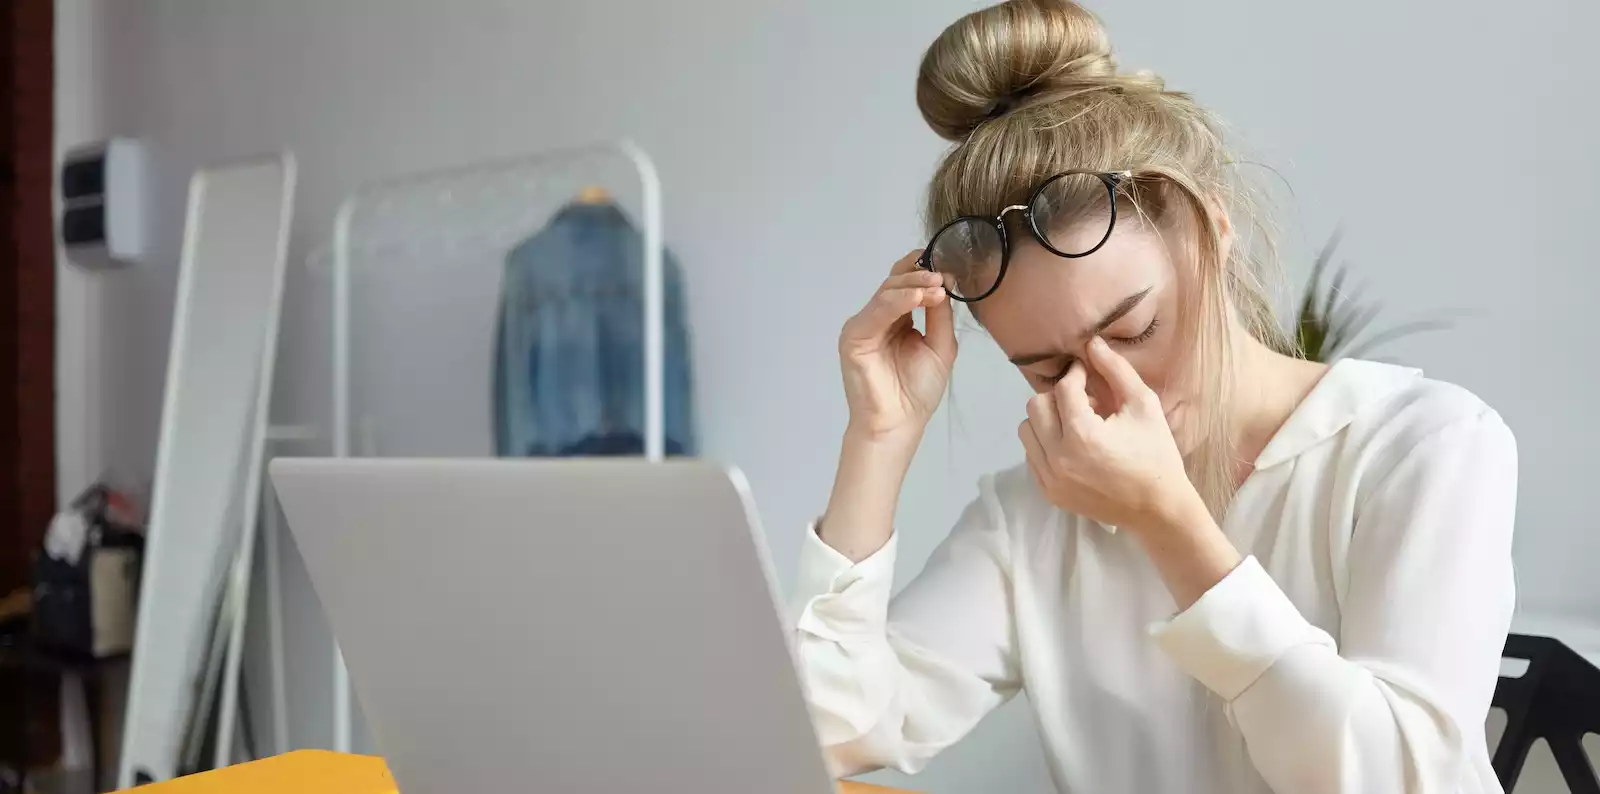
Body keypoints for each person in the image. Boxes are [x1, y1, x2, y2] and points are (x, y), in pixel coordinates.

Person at [790, 1, 1517, 792]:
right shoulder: (1036, 517)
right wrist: (879, 438)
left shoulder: (1419, 446)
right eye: (1046, 370)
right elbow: (826, 738)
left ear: (1211, 230)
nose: (1111, 392)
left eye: (1133, 329)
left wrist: (1167, 521)